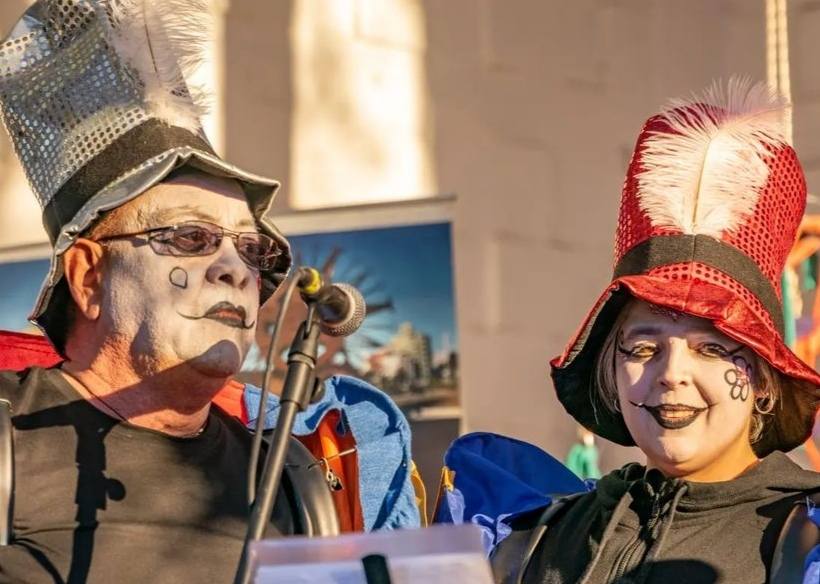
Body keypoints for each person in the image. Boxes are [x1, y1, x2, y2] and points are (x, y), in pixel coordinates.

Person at [0, 1, 418, 582]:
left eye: (253, 251)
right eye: (190, 236)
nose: (235, 270)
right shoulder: (5, 432)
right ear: (91, 278)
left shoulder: (291, 474)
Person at [437, 80, 820, 584]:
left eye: (710, 348)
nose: (671, 374)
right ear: (610, 370)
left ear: (763, 381)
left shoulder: (806, 541)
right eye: (643, 347)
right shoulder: (530, 535)